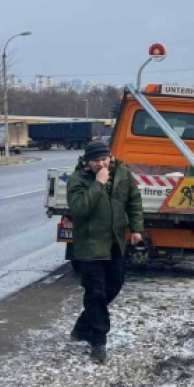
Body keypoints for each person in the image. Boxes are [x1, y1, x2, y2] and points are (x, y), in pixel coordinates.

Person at [67, 140, 144, 363]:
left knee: (115, 284)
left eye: (105, 159)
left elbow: (133, 201)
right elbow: (80, 208)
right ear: (87, 162)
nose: (102, 164)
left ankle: (82, 327)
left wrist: (137, 228)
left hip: (115, 242)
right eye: (97, 161)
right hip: (90, 245)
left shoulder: (122, 172)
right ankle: (98, 341)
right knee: (95, 292)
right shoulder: (77, 180)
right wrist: (98, 184)